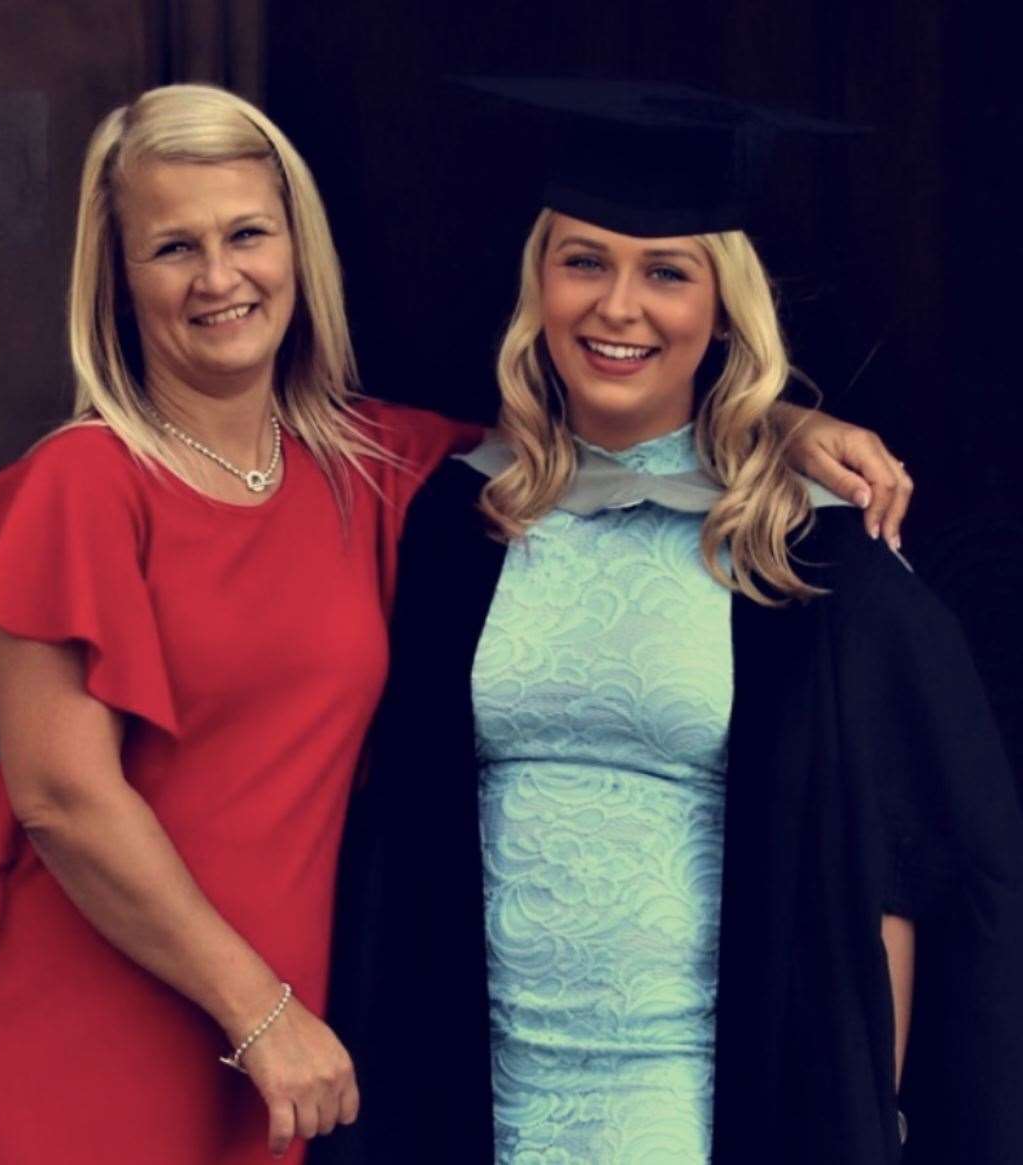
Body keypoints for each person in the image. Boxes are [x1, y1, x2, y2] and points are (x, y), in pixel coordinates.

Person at [0, 83, 909, 1165]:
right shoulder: (85, 481)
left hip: (290, 1057)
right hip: (113, 1023)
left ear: (299, 249)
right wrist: (261, 1015)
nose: (219, 277)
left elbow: (606, 414)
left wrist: (776, 415)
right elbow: (63, 799)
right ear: (117, 278)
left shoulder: (375, 468)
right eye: (172, 247)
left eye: (248, 232)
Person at [322, 81, 1023, 1165]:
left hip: (703, 1098)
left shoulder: (811, 549)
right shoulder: (465, 523)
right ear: (538, 285)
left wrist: (857, 1114)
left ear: (721, 305)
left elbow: (904, 867)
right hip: (479, 1085)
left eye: (667, 271)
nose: (618, 307)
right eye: (584, 261)